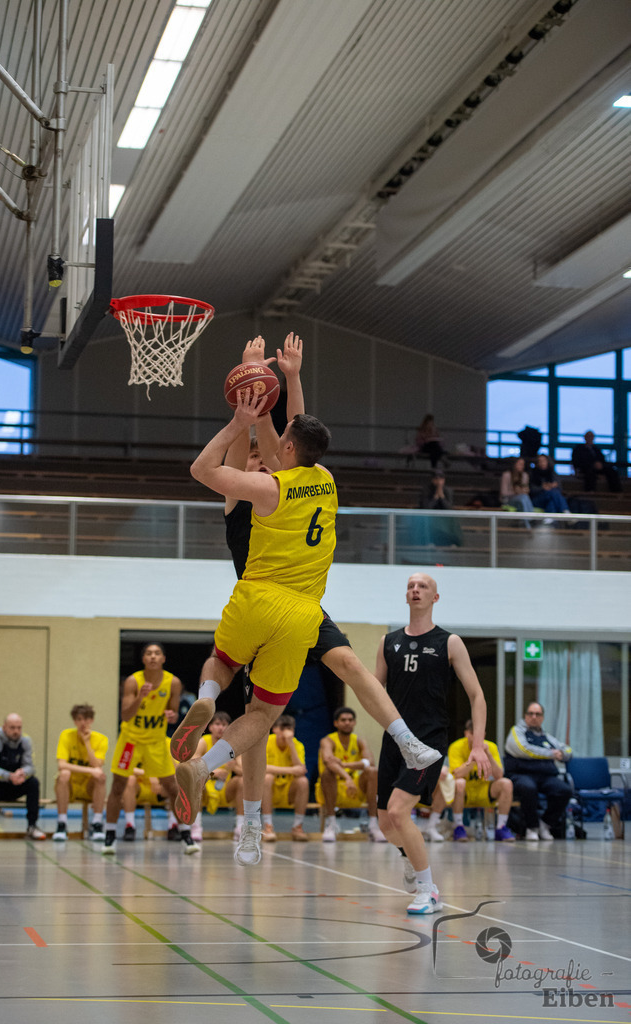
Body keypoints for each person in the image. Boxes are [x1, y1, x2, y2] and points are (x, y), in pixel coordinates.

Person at [172, 335, 441, 868]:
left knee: (316, 673)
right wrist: (272, 387)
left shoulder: (273, 482)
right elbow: (281, 440)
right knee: (264, 714)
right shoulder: (301, 482)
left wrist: (256, 387)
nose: (262, 455)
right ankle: (251, 823)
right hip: (294, 604)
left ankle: (403, 740)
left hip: (266, 603)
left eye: (267, 453)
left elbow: (270, 442)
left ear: (279, 457)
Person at [375, 573, 491, 915]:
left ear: (435, 598)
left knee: (399, 812)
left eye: (422, 586)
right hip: (395, 739)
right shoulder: (387, 642)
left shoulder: (449, 642)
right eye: (410, 585)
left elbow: (477, 695)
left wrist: (479, 745)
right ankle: (410, 857)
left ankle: (429, 890)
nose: (415, 589)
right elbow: (374, 694)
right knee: (385, 823)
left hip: (428, 741)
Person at [102, 642, 183, 854]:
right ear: (144, 659)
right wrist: (141, 698)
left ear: (163, 658)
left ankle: (185, 832)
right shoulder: (133, 681)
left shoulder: (173, 682)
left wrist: (172, 716)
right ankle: (110, 834)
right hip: (131, 740)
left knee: (172, 786)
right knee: (118, 785)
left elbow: (173, 713)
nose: (153, 657)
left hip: (156, 741)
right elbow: (126, 715)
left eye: (157, 653)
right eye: (149, 653)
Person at [504, 701, 574, 841]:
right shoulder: (517, 732)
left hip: (545, 776)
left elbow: (567, 749)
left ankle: (545, 824)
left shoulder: (546, 737)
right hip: (521, 775)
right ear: (525, 716)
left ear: (542, 717)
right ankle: (532, 827)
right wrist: (551, 754)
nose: (534, 717)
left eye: (537, 714)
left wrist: (563, 754)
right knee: (528, 787)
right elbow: (524, 750)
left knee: (564, 790)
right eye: (530, 713)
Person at [316, 706, 384, 843]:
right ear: (336, 723)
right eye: (343, 720)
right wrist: (348, 777)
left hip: (354, 788)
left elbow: (370, 762)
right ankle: (331, 824)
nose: (347, 722)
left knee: (373, 772)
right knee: (328, 772)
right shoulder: (328, 741)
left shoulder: (359, 741)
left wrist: (345, 765)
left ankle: (373, 824)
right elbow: (329, 761)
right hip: (331, 788)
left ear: (354, 722)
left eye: (350, 720)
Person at [122, 739, 200, 852]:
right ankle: (130, 826)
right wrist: (150, 775)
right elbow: (127, 767)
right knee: (130, 780)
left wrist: (160, 775)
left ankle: (176, 827)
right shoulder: (133, 741)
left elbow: (176, 769)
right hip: (141, 786)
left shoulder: (167, 742)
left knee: (175, 782)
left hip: (161, 785)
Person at [0, 713, 46, 840]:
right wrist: (9, 776)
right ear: (4, 727)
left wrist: (22, 773)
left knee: (33, 783)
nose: (16, 731)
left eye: (19, 728)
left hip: (15, 784)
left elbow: (30, 767)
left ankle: (32, 826)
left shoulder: (26, 741)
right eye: (12, 728)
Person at [447, 720, 515, 842]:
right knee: (459, 783)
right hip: (465, 792)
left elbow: (499, 775)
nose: (478, 737)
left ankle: (501, 827)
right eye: (474, 733)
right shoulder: (456, 747)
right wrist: (474, 758)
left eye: (481, 734)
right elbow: (456, 775)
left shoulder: (491, 746)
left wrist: (487, 754)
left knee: (506, 783)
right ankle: (458, 827)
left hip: (484, 790)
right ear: (467, 733)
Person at [52, 704, 108, 842]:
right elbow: (61, 764)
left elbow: (97, 765)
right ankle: (62, 823)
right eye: (79, 719)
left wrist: (87, 743)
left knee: (100, 776)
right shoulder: (66, 735)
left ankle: (97, 823)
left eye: (87, 719)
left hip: (88, 787)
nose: (83, 723)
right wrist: (89, 770)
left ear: (92, 720)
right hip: (70, 786)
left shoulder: (101, 739)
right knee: (64, 774)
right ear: (74, 721)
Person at [194, 711, 244, 843]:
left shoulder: (234, 744)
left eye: (224, 724)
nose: (221, 727)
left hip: (226, 790)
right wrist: (213, 772)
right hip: (205, 787)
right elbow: (193, 764)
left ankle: (240, 826)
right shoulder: (204, 741)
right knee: (195, 780)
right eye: (217, 724)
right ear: (210, 727)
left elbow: (243, 771)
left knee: (242, 781)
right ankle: (196, 827)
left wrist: (233, 767)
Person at [261, 714, 310, 842]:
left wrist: (290, 744)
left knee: (303, 782)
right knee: (267, 778)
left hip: (289, 791)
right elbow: (261, 768)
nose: (286, 733)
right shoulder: (266, 741)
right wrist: (291, 770)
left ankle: (297, 827)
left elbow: (301, 770)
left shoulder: (297, 744)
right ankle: (267, 827)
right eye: (283, 729)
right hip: (268, 790)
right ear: (274, 729)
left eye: (290, 729)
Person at [417, 469, 463, 547]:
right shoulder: (426, 490)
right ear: (433, 480)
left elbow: (449, 508)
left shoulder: (448, 490)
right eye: (436, 479)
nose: (439, 481)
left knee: (454, 520)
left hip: (444, 518)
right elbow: (426, 508)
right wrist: (435, 497)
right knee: (427, 520)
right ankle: (428, 542)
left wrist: (442, 497)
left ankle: (453, 542)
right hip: (430, 517)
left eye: (441, 479)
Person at [500, 457, 535, 522]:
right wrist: (516, 492)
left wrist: (523, 491)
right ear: (514, 464)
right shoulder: (507, 475)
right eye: (520, 464)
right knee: (523, 498)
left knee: (524, 497)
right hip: (509, 500)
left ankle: (527, 520)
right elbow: (503, 493)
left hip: (522, 499)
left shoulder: (525, 475)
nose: (522, 466)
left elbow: (526, 490)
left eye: (523, 464)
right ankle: (529, 520)